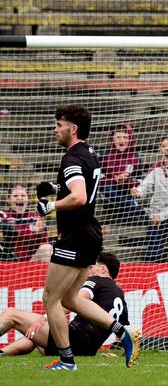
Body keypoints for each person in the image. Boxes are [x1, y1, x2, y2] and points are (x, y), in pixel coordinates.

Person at [35, 105, 139, 370]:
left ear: (73, 128)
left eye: (59, 124)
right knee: (70, 299)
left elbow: (80, 196)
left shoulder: (71, 158)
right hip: (90, 235)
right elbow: (83, 186)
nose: (55, 129)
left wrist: (50, 206)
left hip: (75, 236)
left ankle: (67, 361)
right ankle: (121, 330)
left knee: (51, 299)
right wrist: (57, 188)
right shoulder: (90, 153)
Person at [0, 252, 129, 359]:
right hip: (87, 351)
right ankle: (2, 353)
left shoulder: (96, 280)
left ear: (103, 269)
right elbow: (128, 334)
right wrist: (120, 357)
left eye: (91, 267)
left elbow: (73, 301)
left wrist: (44, 317)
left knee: (12, 314)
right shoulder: (120, 297)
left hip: (73, 341)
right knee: (34, 333)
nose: (88, 271)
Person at [131, 136, 168, 263]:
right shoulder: (155, 169)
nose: (167, 149)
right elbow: (145, 186)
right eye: (164, 146)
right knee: (154, 252)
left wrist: (162, 216)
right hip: (156, 216)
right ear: (160, 150)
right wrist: (138, 192)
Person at [99, 123, 146, 224]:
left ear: (130, 139)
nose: (121, 141)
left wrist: (128, 181)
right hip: (109, 197)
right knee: (108, 188)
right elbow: (99, 179)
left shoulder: (136, 157)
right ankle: (136, 208)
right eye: (118, 137)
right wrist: (115, 179)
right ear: (112, 139)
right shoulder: (105, 155)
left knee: (128, 206)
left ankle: (126, 232)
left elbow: (139, 180)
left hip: (127, 191)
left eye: (125, 137)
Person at [0, 184, 51, 262]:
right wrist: (30, 230)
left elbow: (44, 243)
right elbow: (2, 238)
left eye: (23, 195)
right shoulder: (3, 216)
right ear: (8, 199)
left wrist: (40, 233)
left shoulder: (36, 218)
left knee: (47, 248)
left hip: (30, 263)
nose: (19, 198)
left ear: (28, 199)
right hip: (9, 259)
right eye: (15, 196)